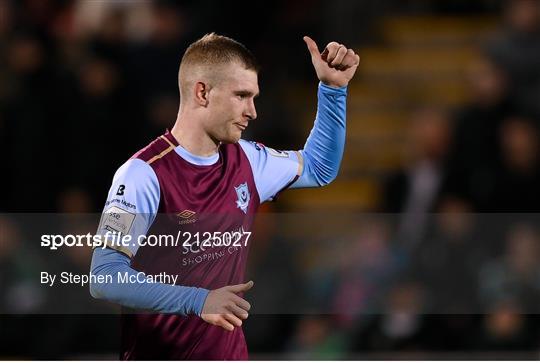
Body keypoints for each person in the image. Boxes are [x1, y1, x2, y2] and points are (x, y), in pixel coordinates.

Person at [89, 33, 359, 359]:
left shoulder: (248, 160)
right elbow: (104, 277)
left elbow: (319, 168)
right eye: (242, 96)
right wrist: (198, 300)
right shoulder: (141, 175)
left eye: (254, 97)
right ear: (202, 92)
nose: (253, 111)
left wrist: (332, 90)